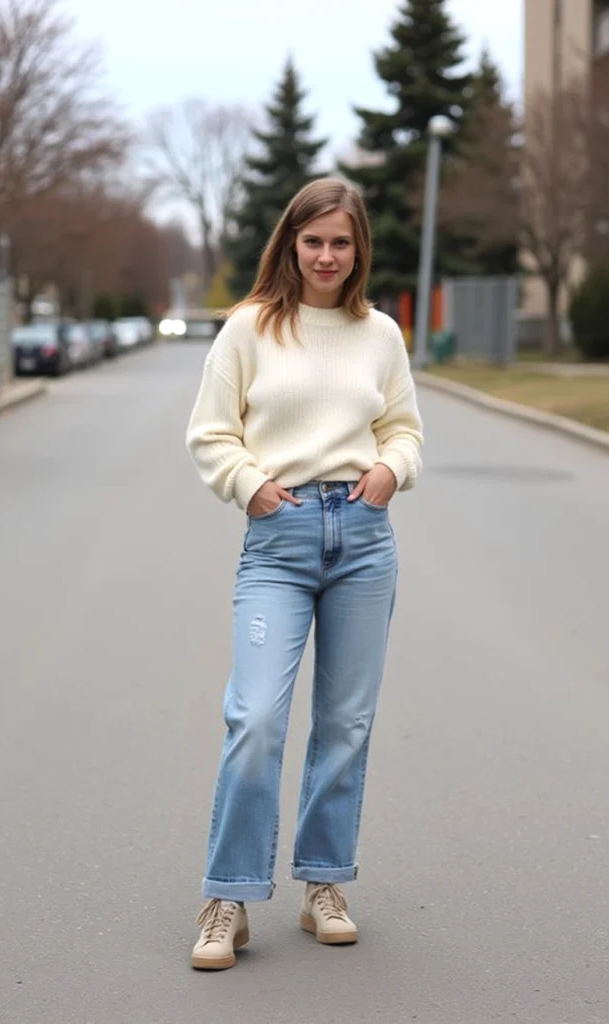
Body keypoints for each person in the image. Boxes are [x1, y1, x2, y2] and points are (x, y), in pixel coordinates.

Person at [185, 177, 423, 970]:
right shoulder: (248, 328)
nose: (326, 255)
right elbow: (211, 433)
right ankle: (227, 898)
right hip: (279, 540)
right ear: (290, 242)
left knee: (346, 724)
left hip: (363, 537)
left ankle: (324, 885)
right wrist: (249, 486)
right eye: (313, 240)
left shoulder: (379, 334)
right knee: (255, 717)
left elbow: (404, 428)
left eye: (340, 242)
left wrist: (390, 468)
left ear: (358, 250)